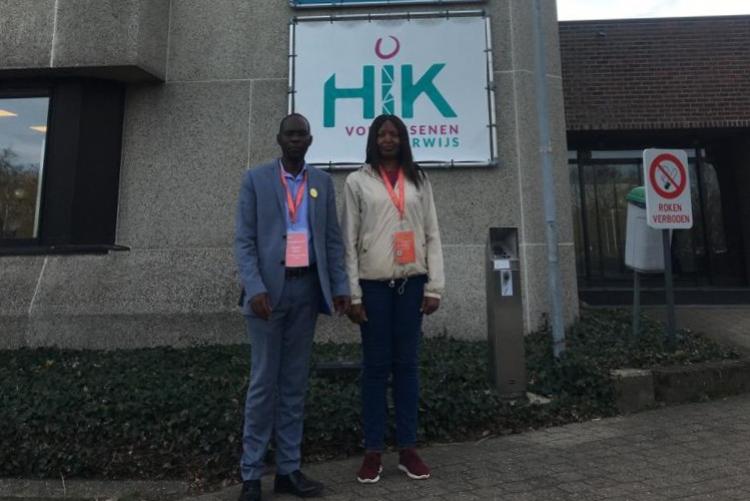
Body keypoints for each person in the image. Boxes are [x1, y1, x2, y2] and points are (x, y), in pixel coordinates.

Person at [234, 113, 350, 501]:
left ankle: (288, 470)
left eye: (302, 135)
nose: (296, 140)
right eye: (290, 134)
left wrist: (339, 286)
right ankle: (251, 475)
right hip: (268, 295)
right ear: (279, 139)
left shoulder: (321, 183)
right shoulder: (255, 180)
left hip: (306, 291)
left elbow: (331, 240)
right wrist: (254, 287)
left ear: (311, 140)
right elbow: (244, 240)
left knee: (294, 385)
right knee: (263, 384)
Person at [341, 114, 445, 484]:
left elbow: (432, 233)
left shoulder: (419, 179)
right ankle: (373, 452)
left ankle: (407, 449)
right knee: (375, 369)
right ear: (373, 140)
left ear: (403, 140)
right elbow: (349, 240)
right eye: (382, 134)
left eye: (394, 134)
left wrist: (434, 287)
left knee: (407, 367)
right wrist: (353, 294)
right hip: (373, 288)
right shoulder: (357, 181)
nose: (388, 139)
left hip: (411, 285)